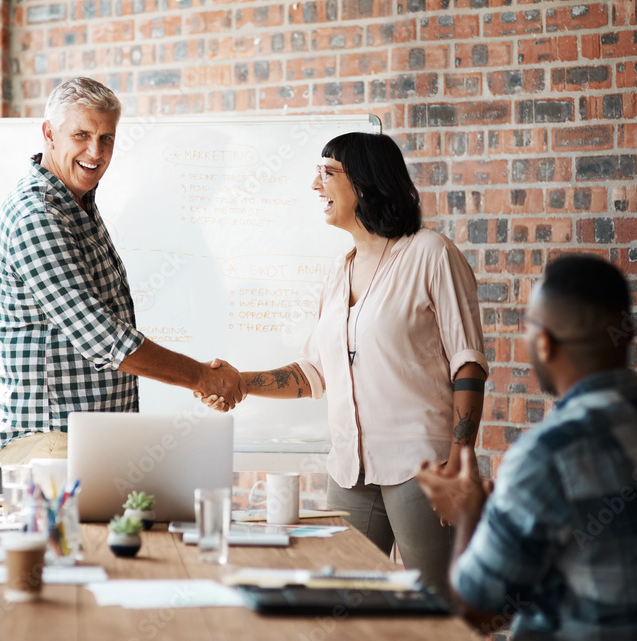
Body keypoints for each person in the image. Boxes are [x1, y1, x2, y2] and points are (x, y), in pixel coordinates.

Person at [200, 132, 488, 598]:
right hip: (350, 471)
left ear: (367, 182)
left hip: (424, 469)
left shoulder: (430, 253)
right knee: (342, 604)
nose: (316, 185)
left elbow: (468, 362)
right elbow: (312, 374)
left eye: (327, 173)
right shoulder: (339, 271)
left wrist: (462, 457)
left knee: (440, 608)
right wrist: (239, 381)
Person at [416, 255, 637, 639]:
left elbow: (476, 611)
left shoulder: (545, 457)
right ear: (627, 335)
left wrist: (469, 514)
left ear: (543, 343)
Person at [0, 76, 245, 464]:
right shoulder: (38, 215)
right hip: (54, 441)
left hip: (85, 437)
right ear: (49, 134)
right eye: (81, 135)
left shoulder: (78, 204)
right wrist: (202, 378)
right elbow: (100, 335)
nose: (95, 151)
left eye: (106, 138)